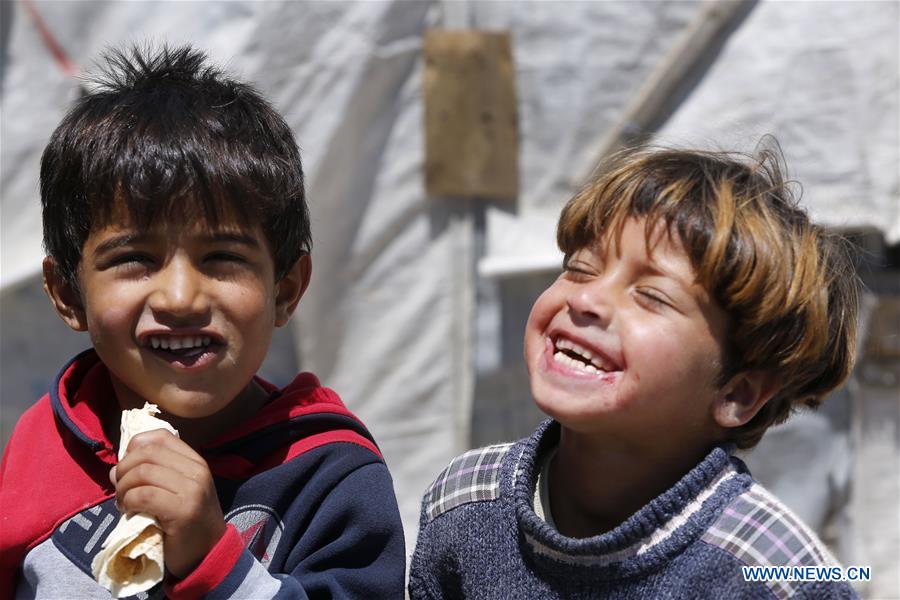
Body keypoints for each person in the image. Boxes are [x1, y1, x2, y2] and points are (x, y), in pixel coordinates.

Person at [0, 44, 405, 599]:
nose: (181, 297)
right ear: (68, 293)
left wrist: (215, 560)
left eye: (222, 258)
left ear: (286, 289)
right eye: (134, 259)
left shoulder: (329, 480)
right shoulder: (45, 444)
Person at [409, 143, 862, 599]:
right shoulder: (464, 501)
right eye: (581, 268)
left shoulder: (779, 574)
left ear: (737, 394)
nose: (586, 300)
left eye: (651, 296)